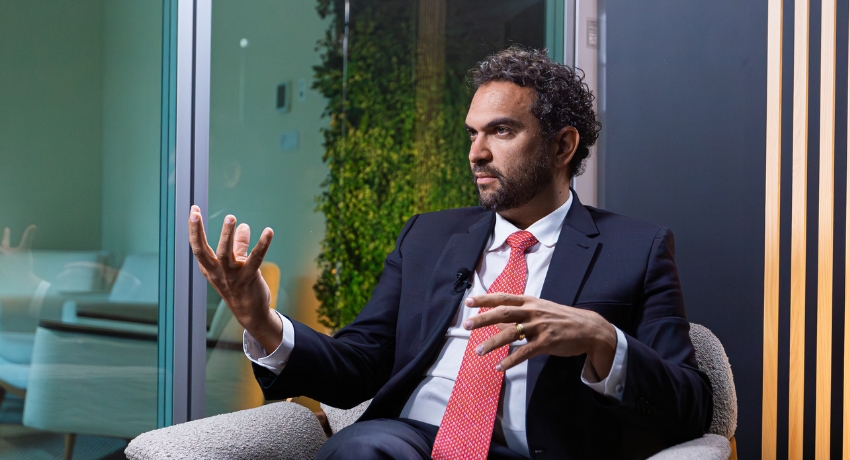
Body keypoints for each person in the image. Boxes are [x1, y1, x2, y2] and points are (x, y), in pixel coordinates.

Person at [187, 47, 712, 459]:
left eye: (501, 131)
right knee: (364, 448)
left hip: (534, 450)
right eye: (472, 133)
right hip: (410, 443)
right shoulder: (428, 237)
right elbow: (358, 365)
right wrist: (263, 324)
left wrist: (602, 340)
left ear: (562, 145)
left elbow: (691, 405)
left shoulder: (635, 249)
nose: (476, 153)